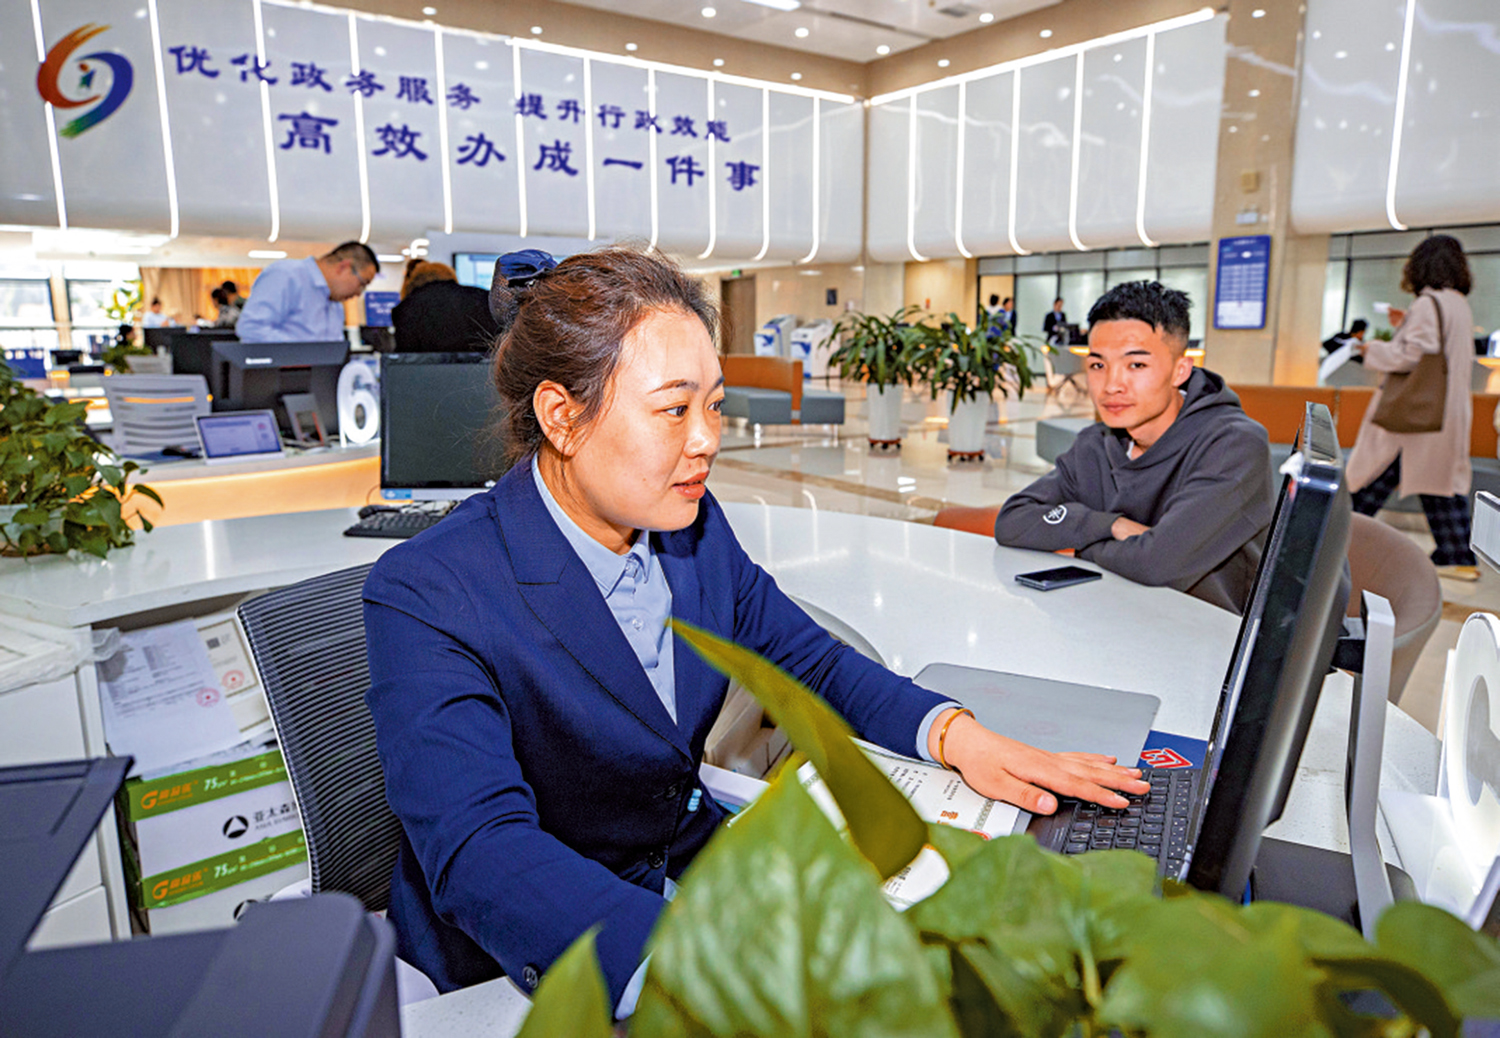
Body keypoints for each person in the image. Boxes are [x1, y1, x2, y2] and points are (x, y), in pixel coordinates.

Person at [361, 247, 1146, 1012]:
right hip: (544, 955)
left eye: (713, 405)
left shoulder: (690, 527)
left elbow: (812, 661)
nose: (707, 438)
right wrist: (714, 971)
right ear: (563, 417)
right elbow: (484, 853)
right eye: (674, 409)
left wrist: (960, 737)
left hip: (689, 871)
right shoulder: (430, 591)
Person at [994, 281, 1273, 614]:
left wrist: (1085, 548)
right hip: (1109, 620)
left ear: (1179, 371)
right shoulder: (1095, 444)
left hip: (1206, 634)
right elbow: (1012, 521)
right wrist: (1109, 525)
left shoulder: (1233, 446)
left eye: (1136, 365)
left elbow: (1157, 563)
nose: (1112, 385)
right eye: (1098, 365)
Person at [1346, 234, 1479, 581]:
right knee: (1439, 484)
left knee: (1370, 477)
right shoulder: (1457, 304)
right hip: (1442, 412)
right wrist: (1404, 325)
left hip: (1415, 415)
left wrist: (1371, 350)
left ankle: (1335, 539)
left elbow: (1413, 355)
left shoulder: (1427, 303)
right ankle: (1456, 555)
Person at [235, 241, 377, 343]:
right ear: (343, 267)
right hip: (279, 373)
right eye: (362, 284)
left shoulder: (335, 304)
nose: (359, 293)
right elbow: (251, 327)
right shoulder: (286, 275)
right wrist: (302, 352)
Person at [389, 260, 500, 353]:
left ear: (414, 280)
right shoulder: (483, 297)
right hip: (481, 370)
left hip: (427, 371)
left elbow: (405, 356)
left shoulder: (406, 308)